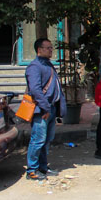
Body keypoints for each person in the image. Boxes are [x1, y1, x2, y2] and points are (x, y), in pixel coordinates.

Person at [24, 38, 66, 180]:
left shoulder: (48, 65)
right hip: (41, 110)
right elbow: (35, 90)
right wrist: (46, 108)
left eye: (51, 47)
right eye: (47, 48)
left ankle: (43, 167)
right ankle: (32, 170)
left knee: (46, 140)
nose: (50, 50)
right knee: (38, 140)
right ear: (39, 50)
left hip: (50, 108)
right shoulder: (34, 67)